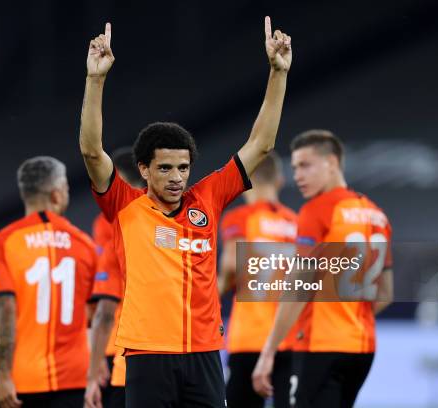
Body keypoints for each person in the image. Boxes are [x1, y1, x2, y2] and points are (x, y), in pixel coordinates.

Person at [79, 17, 292, 408]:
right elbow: (92, 152)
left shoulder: (208, 197)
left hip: (204, 355)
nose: (176, 177)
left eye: (182, 167)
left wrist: (277, 74)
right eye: (164, 168)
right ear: (143, 169)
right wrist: (96, 81)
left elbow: (261, 144)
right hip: (147, 356)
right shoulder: (125, 204)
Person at [252, 130, 394, 408]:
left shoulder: (317, 210)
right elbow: (385, 294)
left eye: (305, 165)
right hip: (362, 349)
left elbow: (298, 287)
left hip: (320, 346)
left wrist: (269, 351)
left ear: (331, 162)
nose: (297, 176)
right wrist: (349, 315)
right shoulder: (377, 215)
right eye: (294, 168)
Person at [0, 156, 98, 408]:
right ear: (57, 194)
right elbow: (93, 317)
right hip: (73, 382)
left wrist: (3, 376)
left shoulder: (3, 241)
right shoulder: (85, 245)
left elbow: (5, 308)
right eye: (67, 188)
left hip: (20, 382)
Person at [219, 151, 297, 408]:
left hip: (250, 337)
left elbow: (231, 266)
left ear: (244, 181)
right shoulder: (297, 224)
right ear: (280, 180)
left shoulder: (241, 218)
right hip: (289, 338)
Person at [86, 147, 145, 408]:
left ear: (117, 175)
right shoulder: (167, 213)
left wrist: (94, 361)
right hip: (173, 349)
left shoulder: (111, 220)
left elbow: (106, 306)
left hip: (119, 348)